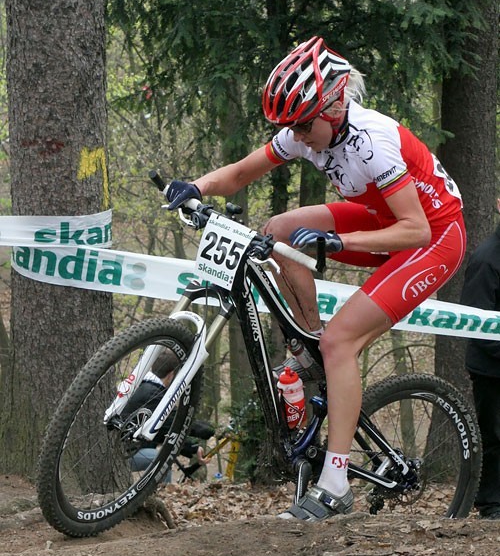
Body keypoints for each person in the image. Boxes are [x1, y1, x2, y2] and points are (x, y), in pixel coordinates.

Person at [165, 37, 466, 521]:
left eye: (304, 125)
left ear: (335, 106)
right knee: (280, 230)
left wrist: (339, 242)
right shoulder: (306, 130)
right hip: (383, 218)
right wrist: (194, 187)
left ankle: (336, 483)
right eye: (292, 128)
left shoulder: (372, 142)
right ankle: (309, 344)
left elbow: (416, 230)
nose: (298, 136)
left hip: (433, 237)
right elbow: (239, 174)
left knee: (341, 342)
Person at [460, 198, 500, 520]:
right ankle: (491, 504)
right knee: (495, 436)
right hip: (491, 368)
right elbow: (476, 324)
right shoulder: (486, 260)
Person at [123, 348, 213, 482]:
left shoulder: (144, 387)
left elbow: (164, 431)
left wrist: (193, 448)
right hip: (125, 454)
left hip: (128, 450)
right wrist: (210, 430)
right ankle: (162, 491)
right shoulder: (154, 394)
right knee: (162, 460)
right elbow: (177, 422)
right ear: (171, 375)